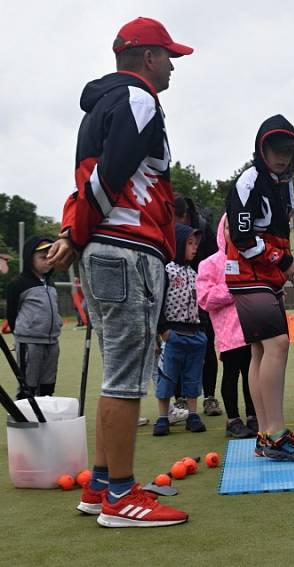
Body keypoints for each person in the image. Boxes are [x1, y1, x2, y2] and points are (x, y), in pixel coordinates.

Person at [47, 16, 192, 527]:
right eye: (168, 56)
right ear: (148, 58)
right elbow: (108, 178)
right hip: (125, 249)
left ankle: (103, 487)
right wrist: (80, 232)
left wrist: (73, 232)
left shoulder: (101, 107)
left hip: (110, 251)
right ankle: (121, 499)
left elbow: (85, 183)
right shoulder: (139, 98)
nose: (173, 66)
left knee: (119, 373)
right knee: (127, 377)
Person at [225, 114, 294, 461]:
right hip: (248, 275)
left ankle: (267, 434)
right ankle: (277, 433)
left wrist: (284, 265)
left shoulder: (282, 184)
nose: (281, 157)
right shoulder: (249, 182)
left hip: (264, 275)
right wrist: (283, 262)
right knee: (278, 343)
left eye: (288, 151)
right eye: (274, 149)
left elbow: (277, 232)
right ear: (261, 148)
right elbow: (242, 236)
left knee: (260, 351)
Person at [197, 215, 258, 438]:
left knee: (252, 375)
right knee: (231, 375)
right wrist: (232, 288)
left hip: (252, 329)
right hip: (228, 333)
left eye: (237, 229)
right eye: (228, 228)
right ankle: (233, 420)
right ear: (221, 232)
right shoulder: (209, 264)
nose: (232, 234)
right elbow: (204, 299)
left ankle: (253, 416)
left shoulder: (250, 259)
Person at [152, 224, 207, 436]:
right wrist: (163, 330)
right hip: (173, 334)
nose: (194, 248)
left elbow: (201, 303)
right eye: (189, 243)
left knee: (193, 376)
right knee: (167, 375)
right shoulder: (165, 271)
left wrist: (203, 329)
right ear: (177, 244)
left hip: (195, 334)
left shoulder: (196, 274)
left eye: (196, 244)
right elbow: (156, 302)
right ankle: (163, 417)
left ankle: (193, 415)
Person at [174, 196, 221, 417]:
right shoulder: (168, 230)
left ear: (183, 214)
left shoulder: (202, 228)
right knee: (175, 351)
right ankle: (180, 400)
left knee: (207, 347)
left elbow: (214, 261)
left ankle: (210, 397)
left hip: (202, 298)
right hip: (175, 301)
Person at [6, 237, 63, 398]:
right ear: (29, 258)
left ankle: (45, 415)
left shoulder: (50, 284)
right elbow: (12, 314)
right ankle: (26, 417)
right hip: (29, 342)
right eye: (42, 258)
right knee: (28, 384)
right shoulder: (18, 284)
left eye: (50, 257)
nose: (48, 261)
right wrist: (18, 337)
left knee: (48, 383)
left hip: (52, 341)